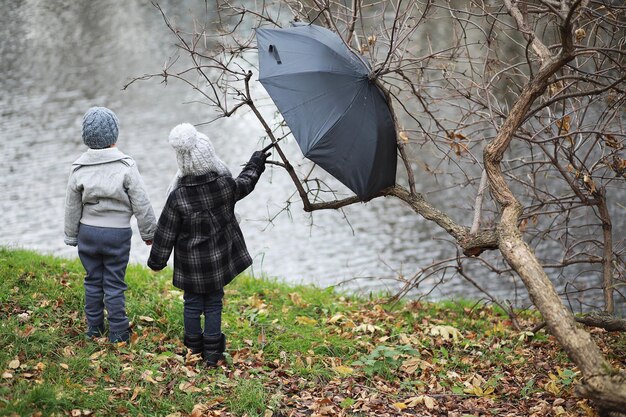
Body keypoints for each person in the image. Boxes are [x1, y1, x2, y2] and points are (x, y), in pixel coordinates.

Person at [147, 123, 269, 366]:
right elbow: (246, 182)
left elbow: (165, 232)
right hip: (217, 263)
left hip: (191, 267)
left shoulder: (178, 196)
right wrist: (256, 163)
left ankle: (193, 351)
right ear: (209, 158)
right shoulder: (224, 186)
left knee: (192, 305)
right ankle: (213, 354)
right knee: (214, 304)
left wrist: (156, 262)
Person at [64, 106, 156, 343]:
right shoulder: (126, 166)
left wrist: (72, 235)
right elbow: (141, 202)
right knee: (114, 282)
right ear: (114, 137)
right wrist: (149, 232)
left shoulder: (79, 168)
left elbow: (72, 206)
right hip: (117, 233)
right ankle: (118, 332)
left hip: (88, 232)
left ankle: (94, 328)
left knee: (93, 280)